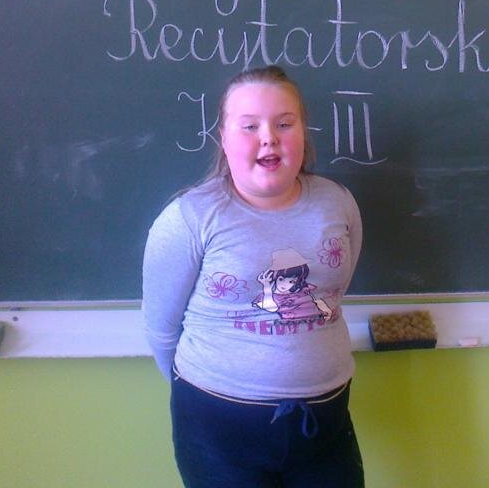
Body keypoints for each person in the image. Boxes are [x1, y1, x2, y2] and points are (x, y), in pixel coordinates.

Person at [142, 65, 364, 488]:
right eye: (249, 126)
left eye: (285, 123)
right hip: (216, 435)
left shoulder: (338, 204)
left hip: (325, 429)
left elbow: (335, 290)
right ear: (223, 138)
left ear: (303, 133)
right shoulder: (189, 219)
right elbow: (161, 328)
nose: (269, 138)